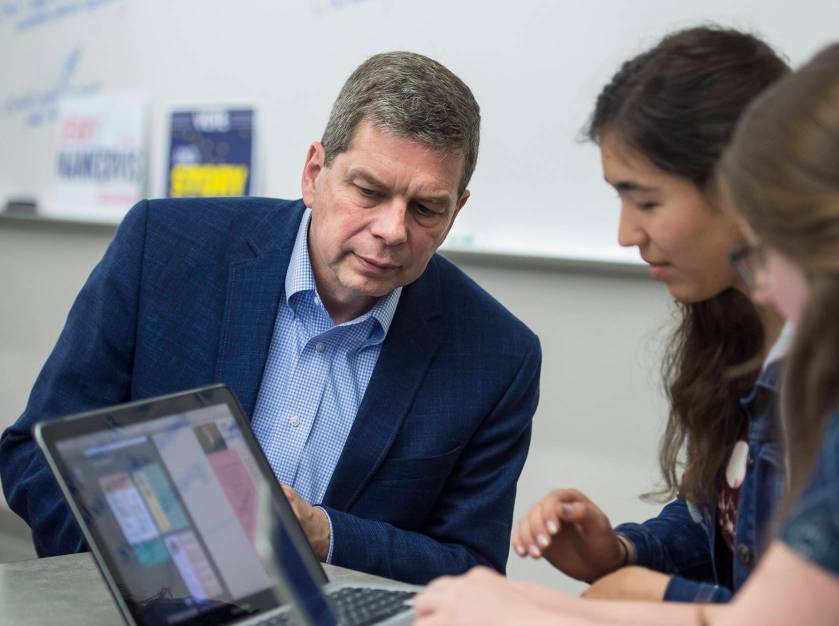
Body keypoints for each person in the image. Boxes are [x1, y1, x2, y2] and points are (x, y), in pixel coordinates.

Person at [412, 38, 839, 626]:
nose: (758, 283)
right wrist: (561, 603)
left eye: (765, 244)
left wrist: (507, 623)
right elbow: (776, 624)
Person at [0, 52, 541, 585]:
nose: (392, 230)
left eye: (426, 209)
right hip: (137, 613)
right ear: (314, 174)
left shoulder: (496, 355)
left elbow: (471, 570)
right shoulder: (161, 249)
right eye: (369, 192)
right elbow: (35, 457)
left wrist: (326, 535)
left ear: (456, 213)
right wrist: (152, 571)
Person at [513, 26, 790, 604]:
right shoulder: (732, 326)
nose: (625, 233)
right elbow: (717, 515)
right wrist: (622, 554)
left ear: (742, 186)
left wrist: (652, 597)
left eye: (647, 202)